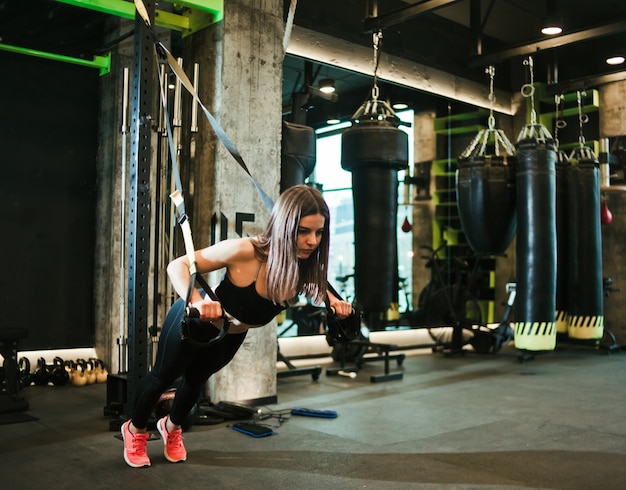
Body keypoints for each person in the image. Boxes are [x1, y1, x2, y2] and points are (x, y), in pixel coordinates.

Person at [121, 184, 353, 468]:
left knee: (196, 380)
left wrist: (337, 304)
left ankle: (171, 427)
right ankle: (136, 430)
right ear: (285, 226)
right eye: (303, 231)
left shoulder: (301, 264)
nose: (312, 241)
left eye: (319, 232)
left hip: (231, 334)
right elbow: (177, 266)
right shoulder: (246, 251)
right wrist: (196, 301)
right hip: (196, 324)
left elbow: (316, 288)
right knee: (162, 378)